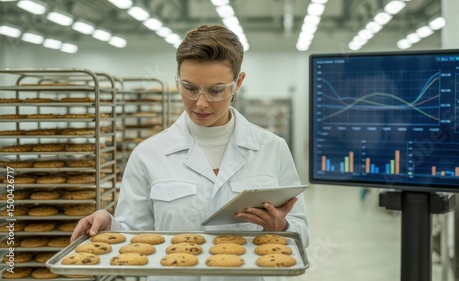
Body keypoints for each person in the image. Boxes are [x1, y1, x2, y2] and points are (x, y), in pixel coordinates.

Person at [71, 24, 308, 281]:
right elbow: (135, 237)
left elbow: (301, 234)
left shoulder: (272, 148)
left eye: (216, 90)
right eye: (190, 88)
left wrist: (282, 226)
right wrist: (109, 224)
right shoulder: (148, 154)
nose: (201, 103)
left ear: (237, 83)